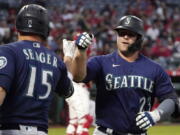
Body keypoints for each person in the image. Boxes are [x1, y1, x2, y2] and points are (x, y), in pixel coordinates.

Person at [63, 15, 180, 135]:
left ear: (139, 39)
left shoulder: (154, 69)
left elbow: (171, 99)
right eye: (121, 33)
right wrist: (81, 52)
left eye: (130, 34)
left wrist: (156, 115)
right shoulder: (101, 62)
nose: (125, 36)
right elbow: (78, 77)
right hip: (105, 132)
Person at [0, 4, 74, 135]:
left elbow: (0, 89)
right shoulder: (56, 60)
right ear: (45, 29)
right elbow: (68, 91)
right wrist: (68, 57)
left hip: (10, 128)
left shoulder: (8, 51)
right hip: (41, 130)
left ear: (18, 25)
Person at [63, 39, 93, 135]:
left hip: (71, 90)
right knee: (84, 120)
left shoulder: (70, 57)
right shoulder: (76, 57)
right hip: (78, 89)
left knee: (73, 121)